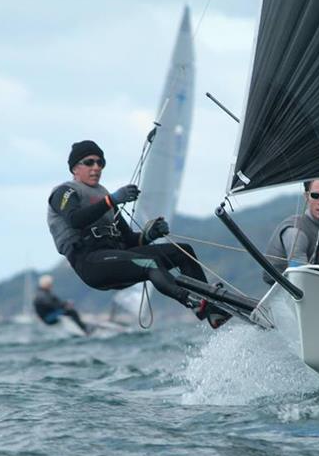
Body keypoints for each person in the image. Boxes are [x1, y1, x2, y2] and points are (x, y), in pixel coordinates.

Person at [47, 140, 230, 328]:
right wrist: (111, 200)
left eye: (100, 163)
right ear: (75, 168)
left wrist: (150, 235)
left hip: (117, 257)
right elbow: (75, 219)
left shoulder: (104, 195)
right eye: (89, 162)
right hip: (90, 263)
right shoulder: (65, 192)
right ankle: (194, 302)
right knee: (149, 263)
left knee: (183, 252)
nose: (96, 167)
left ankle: (213, 311)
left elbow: (129, 242)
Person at [262, 179, 319, 284]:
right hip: (287, 293)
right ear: (306, 197)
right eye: (315, 195)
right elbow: (300, 276)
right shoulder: (294, 231)